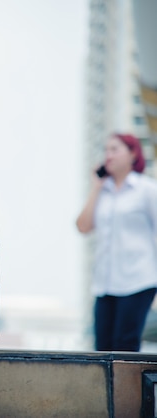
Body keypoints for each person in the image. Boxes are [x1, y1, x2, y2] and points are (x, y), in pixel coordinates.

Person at [76, 132, 157, 352]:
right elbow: (83, 226)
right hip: (105, 283)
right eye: (106, 150)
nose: (108, 155)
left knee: (125, 344)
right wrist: (96, 187)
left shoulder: (146, 190)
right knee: (102, 348)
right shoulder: (103, 191)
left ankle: (127, 389)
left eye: (114, 149)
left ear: (132, 154)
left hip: (138, 280)